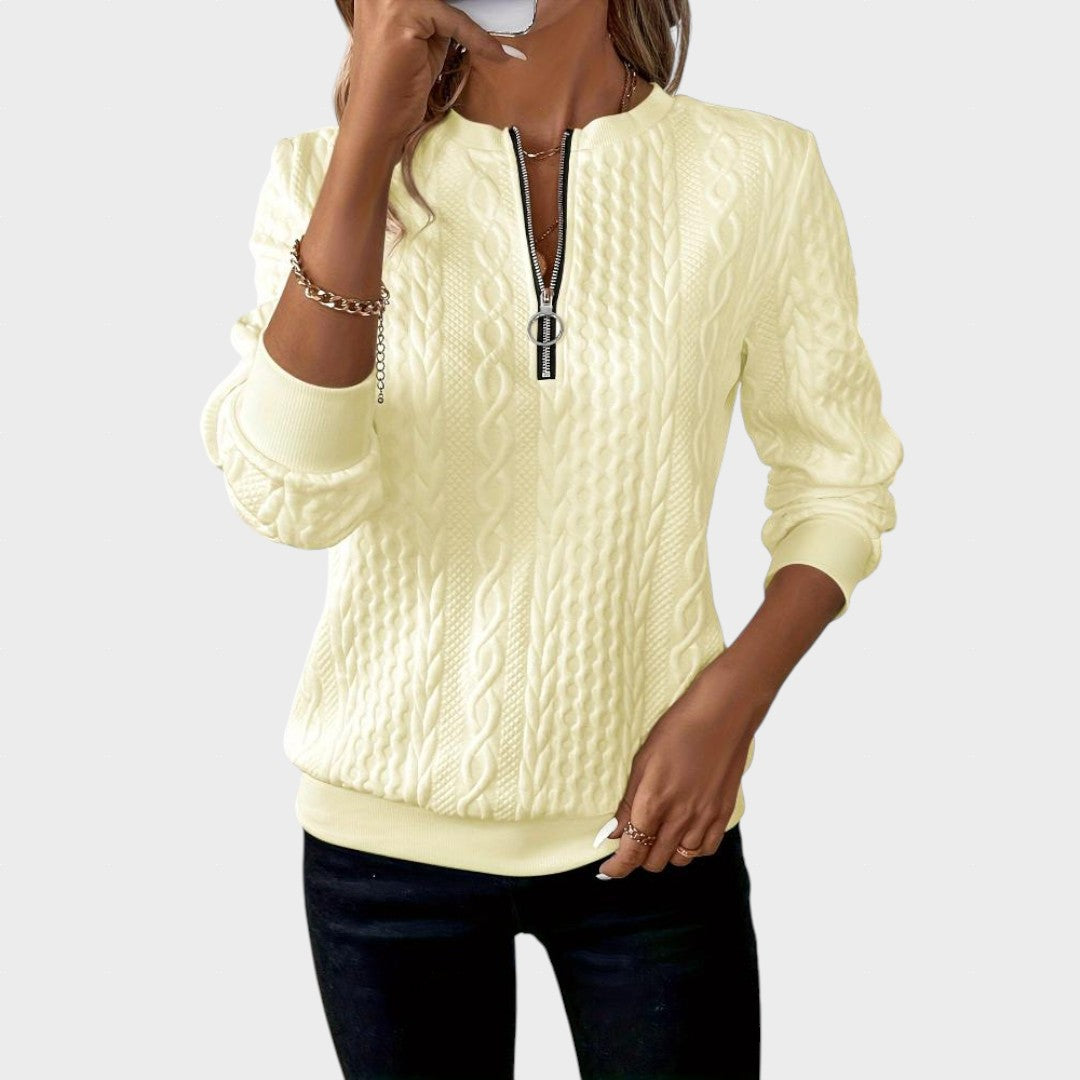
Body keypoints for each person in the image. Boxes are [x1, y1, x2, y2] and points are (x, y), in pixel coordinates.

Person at [198, 1, 904, 1076]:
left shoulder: (755, 170)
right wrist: (366, 148)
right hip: (382, 847)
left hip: (655, 828)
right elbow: (294, 499)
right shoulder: (317, 176)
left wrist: (730, 702)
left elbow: (838, 477)